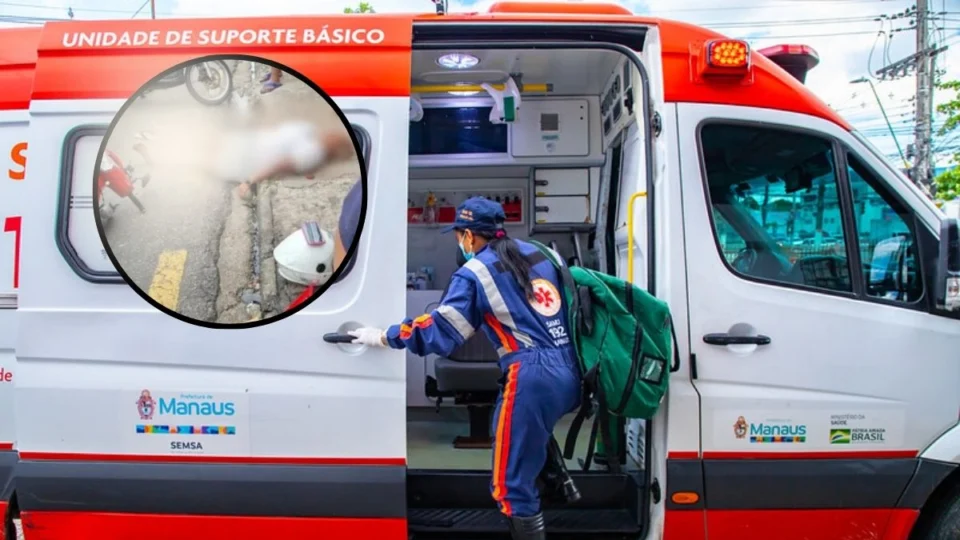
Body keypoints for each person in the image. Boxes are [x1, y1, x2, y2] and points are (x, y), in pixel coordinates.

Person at [348, 197, 582, 540]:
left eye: (459, 236)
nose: (460, 243)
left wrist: (384, 336)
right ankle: (558, 485)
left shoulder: (475, 272)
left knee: (509, 484)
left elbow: (444, 330)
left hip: (532, 376)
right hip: (570, 368)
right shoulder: (541, 254)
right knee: (528, 447)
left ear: (470, 236)